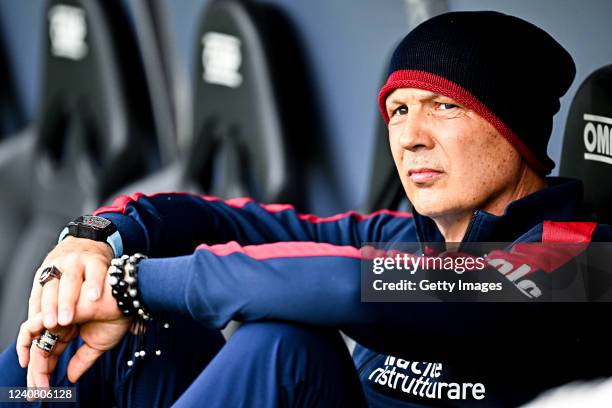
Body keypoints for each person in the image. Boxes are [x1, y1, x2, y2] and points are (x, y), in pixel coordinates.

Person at [1, 10, 611, 407]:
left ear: (515, 131)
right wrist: (97, 238)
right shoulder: (401, 237)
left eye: (443, 107)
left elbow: (349, 285)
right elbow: (226, 218)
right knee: (100, 332)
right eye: (398, 110)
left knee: (284, 347)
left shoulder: (579, 264)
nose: (409, 136)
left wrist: (133, 283)